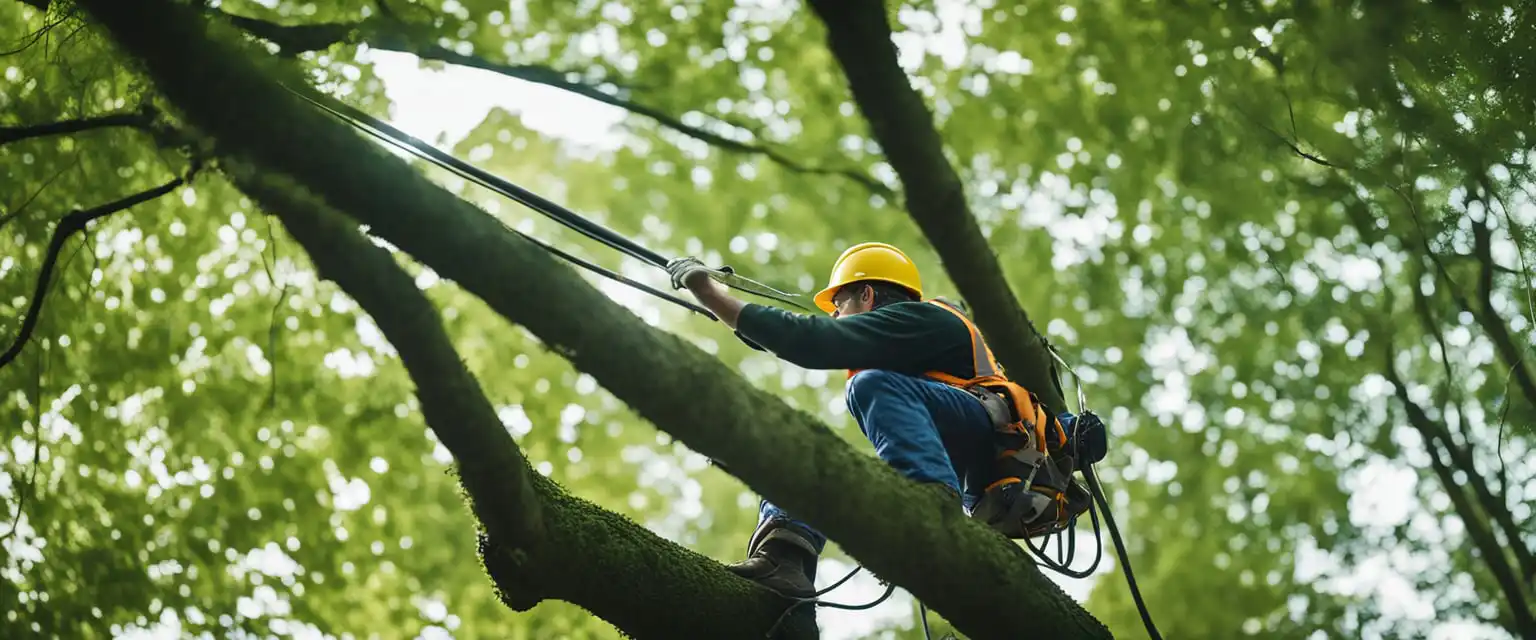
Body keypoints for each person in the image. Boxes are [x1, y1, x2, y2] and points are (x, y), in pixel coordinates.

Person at [667, 242, 1067, 598]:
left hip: (983, 436)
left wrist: (709, 292)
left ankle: (927, 503)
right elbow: (808, 339)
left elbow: (813, 342)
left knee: (871, 384)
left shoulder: (928, 319)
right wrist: (729, 311)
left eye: (840, 306)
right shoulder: (909, 349)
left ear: (867, 293)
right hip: (954, 452)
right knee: (815, 461)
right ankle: (785, 566)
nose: (838, 317)